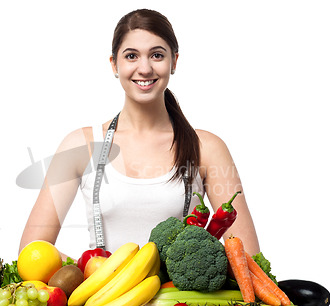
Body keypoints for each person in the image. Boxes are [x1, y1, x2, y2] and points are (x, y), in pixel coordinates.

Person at [19, 9, 260, 258]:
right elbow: (32, 252)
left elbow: (249, 258)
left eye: (157, 55)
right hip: (99, 296)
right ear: (114, 64)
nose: (144, 69)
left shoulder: (207, 148)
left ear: (174, 62)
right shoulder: (82, 145)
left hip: (180, 299)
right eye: (131, 56)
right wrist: (84, 276)